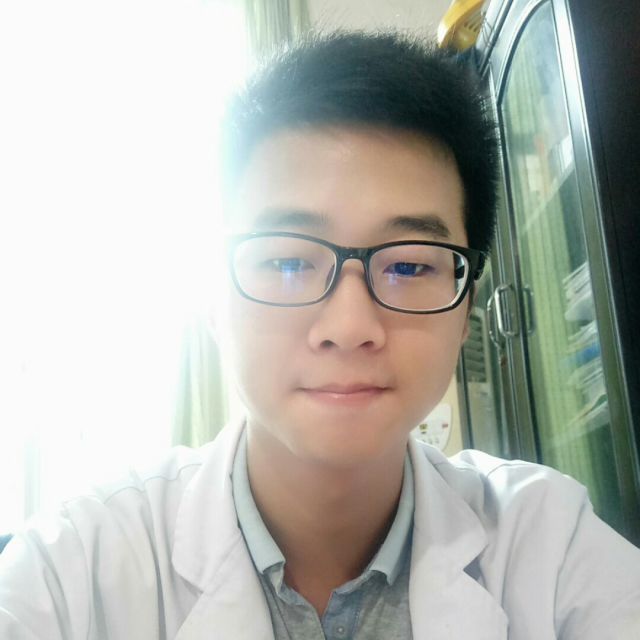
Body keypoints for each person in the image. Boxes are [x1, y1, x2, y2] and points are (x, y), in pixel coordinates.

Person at [1, 31, 639, 640]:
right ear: (213, 298)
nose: (349, 327)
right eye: (286, 261)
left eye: (409, 266)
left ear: (466, 302)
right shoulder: (75, 569)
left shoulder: (549, 545)